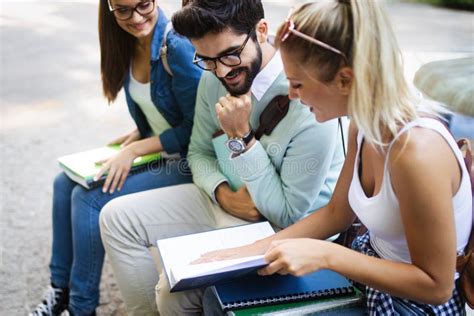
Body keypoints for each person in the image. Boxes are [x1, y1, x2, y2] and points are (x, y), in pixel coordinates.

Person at [200, 1, 473, 315]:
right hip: (370, 277)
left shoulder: (416, 154)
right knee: (218, 295)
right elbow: (337, 213)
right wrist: (251, 251)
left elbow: (436, 287)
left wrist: (326, 256)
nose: (290, 95)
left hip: (410, 305)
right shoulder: (363, 124)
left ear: (344, 80)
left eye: (297, 84)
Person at [99, 0, 346, 314]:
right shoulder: (213, 76)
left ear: (261, 30)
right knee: (116, 218)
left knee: (171, 292)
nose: (222, 70)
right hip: (225, 200)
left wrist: (241, 136)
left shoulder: (307, 96)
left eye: (230, 54)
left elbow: (288, 214)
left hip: (280, 227)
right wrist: (222, 193)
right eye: (206, 59)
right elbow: (198, 152)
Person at [29, 0, 201, 315]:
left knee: (89, 199)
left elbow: (197, 129)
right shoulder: (126, 42)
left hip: (190, 162)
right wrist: (138, 134)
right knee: (63, 183)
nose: (135, 17)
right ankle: (59, 291)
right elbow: (158, 110)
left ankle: (82, 308)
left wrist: (136, 149)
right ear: (110, 10)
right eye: (123, 10)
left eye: (142, 5)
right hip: (159, 150)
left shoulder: (175, 46)